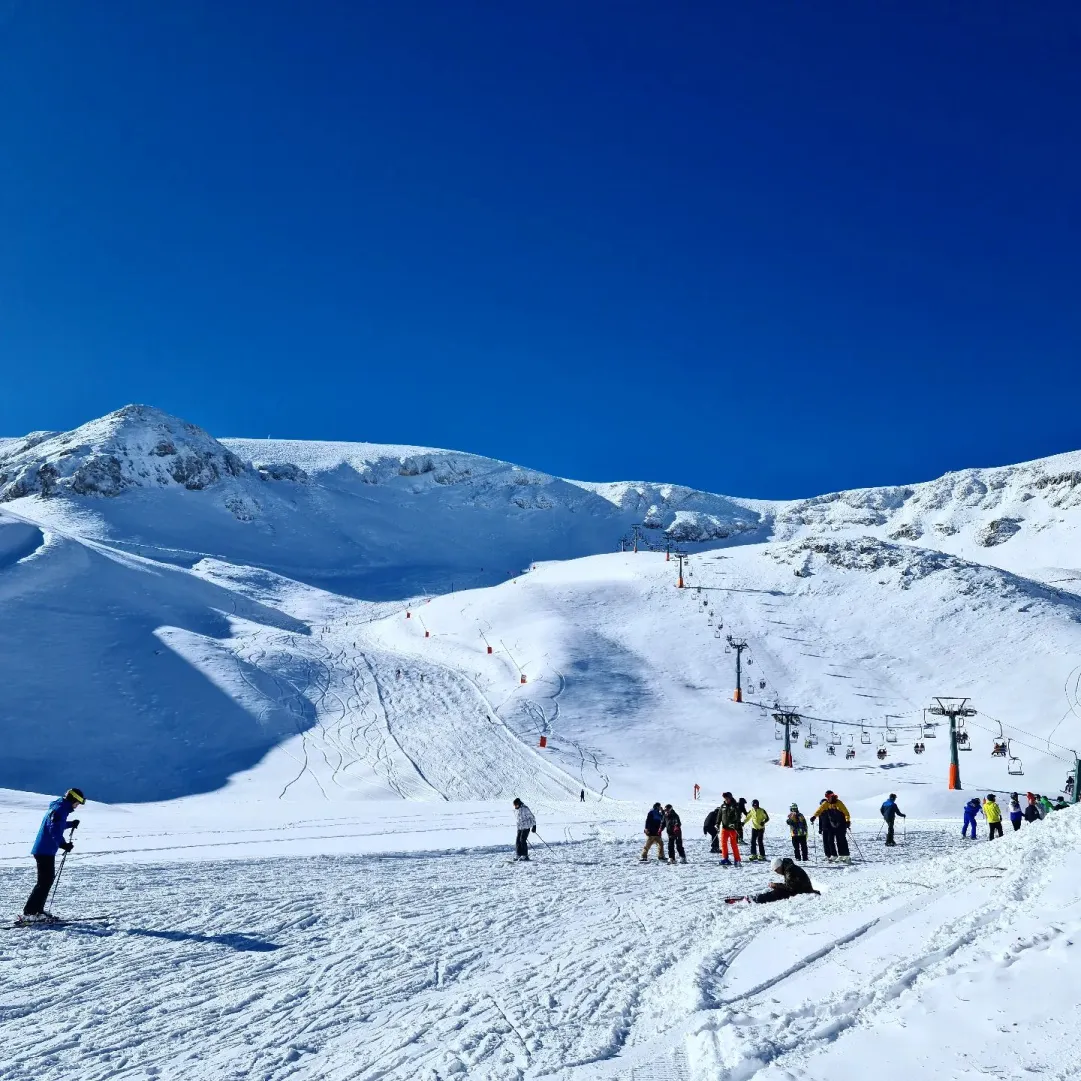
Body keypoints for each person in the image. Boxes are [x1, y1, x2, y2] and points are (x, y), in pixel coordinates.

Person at [22, 788, 85, 921]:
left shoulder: (60, 807)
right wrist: (63, 844)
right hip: (44, 850)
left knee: (46, 881)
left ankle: (36, 911)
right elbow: (54, 829)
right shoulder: (60, 809)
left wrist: (70, 824)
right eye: (77, 803)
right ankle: (31, 913)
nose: (77, 806)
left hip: (45, 850)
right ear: (72, 799)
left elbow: (57, 824)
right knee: (44, 882)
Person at [726, 857, 820, 905]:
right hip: (802, 889)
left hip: (804, 891)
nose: (777, 873)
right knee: (778, 890)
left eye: (776, 871)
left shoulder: (789, 870)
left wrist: (776, 885)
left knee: (778, 892)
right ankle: (757, 898)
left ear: (779, 867)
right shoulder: (789, 868)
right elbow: (791, 885)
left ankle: (756, 899)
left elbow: (790, 887)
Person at [810, 790, 851, 864]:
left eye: (829, 796)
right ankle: (840, 855)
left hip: (841, 824)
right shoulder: (826, 803)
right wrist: (814, 816)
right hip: (834, 825)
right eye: (827, 797)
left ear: (832, 796)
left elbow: (846, 812)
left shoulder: (839, 803)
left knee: (842, 840)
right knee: (837, 840)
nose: (828, 798)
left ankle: (846, 855)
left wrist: (847, 821)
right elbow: (819, 810)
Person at [718, 792, 742, 866]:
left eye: (727, 798)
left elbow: (738, 817)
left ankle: (737, 860)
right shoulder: (723, 806)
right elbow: (719, 816)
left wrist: (734, 824)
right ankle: (725, 858)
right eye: (725, 798)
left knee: (733, 844)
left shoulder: (735, 806)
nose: (726, 799)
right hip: (724, 828)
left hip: (732, 829)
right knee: (723, 844)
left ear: (730, 797)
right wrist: (717, 824)